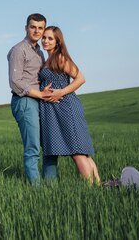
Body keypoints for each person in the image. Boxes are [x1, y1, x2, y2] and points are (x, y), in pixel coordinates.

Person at [39, 26, 100, 184]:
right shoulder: (47, 60)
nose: (45, 40)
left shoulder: (60, 58)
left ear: (58, 42)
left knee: (77, 152)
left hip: (66, 108)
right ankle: (98, 186)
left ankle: (90, 190)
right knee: (81, 152)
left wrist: (61, 92)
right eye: (44, 37)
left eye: (50, 38)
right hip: (56, 111)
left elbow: (80, 78)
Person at [7, 13, 58, 185]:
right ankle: (38, 191)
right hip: (25, 101)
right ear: (26, 28)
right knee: (33, 148)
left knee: (51, 146)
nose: (36, 31)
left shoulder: (39, 53)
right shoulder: (18, 50)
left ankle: (52, 187)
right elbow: (15, 82)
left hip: (40, 102)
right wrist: (40, 94)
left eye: (40, 28)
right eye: (33, 27)